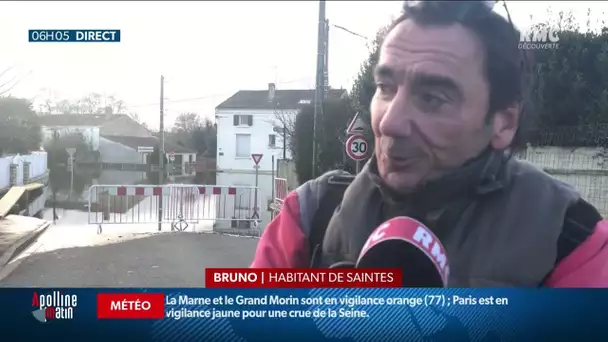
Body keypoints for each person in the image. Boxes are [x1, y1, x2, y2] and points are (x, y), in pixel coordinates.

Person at [251, 1, 608, 287]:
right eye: (386, 88)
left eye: (433, 97)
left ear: (504, 121)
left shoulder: (570, 240)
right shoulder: (310, 215)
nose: (389, 121)